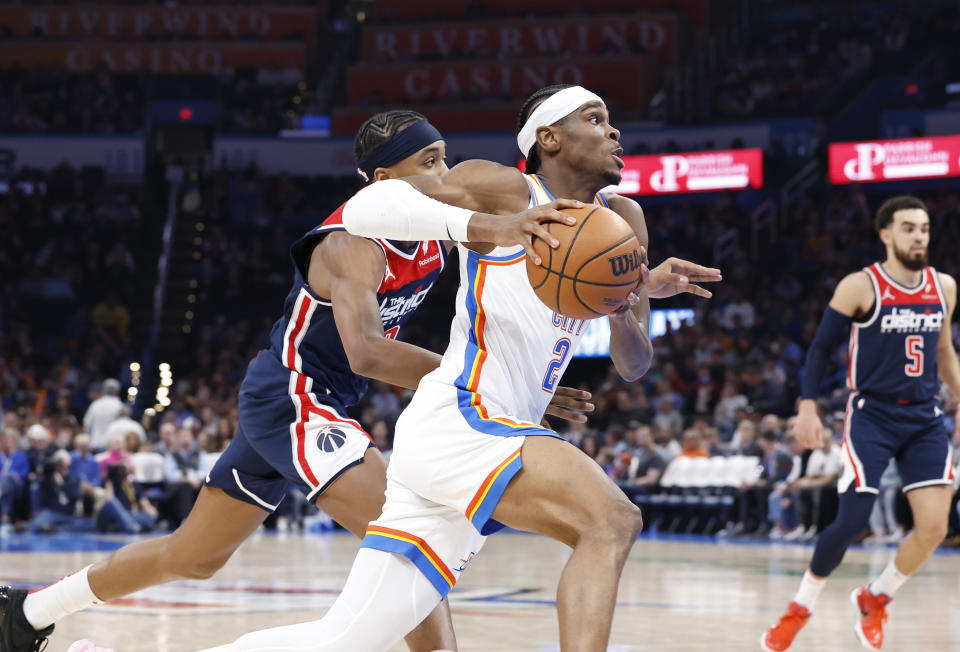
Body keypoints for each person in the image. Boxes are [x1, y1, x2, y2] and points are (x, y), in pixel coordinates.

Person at [0, 110, 592, 652]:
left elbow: (517, 250)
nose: (448, 171)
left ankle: (25, 615)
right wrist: (482, 383)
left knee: (195, 554)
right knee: (407, 536)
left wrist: (521, 380)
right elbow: (367, 354)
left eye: (446, 156)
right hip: (295, 397)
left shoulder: (439, 228)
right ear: (386, 179)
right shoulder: (350, 244)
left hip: (301, 401)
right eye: (430, 162)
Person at [197, 84, 720, 652]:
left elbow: (633, 365)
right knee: (611, 520)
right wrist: (492, 228)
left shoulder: (623, 218)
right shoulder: (504, 188)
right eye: (595, 119)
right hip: (466, 414)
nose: (614, 131)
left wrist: (626, 306)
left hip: (478, 434)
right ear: (548, 138)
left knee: (345, 636)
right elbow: (370, 207)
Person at [763, 195, 960, 651]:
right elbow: (819, 350)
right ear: (886, 235)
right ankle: (799, 609)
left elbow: (945, 351)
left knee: (933, 527)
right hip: (872, 413)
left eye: (925, 228)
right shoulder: (860, 285)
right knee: (852, 520)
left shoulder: (943, 286)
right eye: (909, 228)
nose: (919, 236)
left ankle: (876, 597)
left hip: (925, 416)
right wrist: (807, 405)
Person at [82, 379, 124, 450]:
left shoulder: (95, 404)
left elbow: (87, 424)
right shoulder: (120, 406)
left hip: (95, 443)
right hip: (112, 447)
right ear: (118, 391)